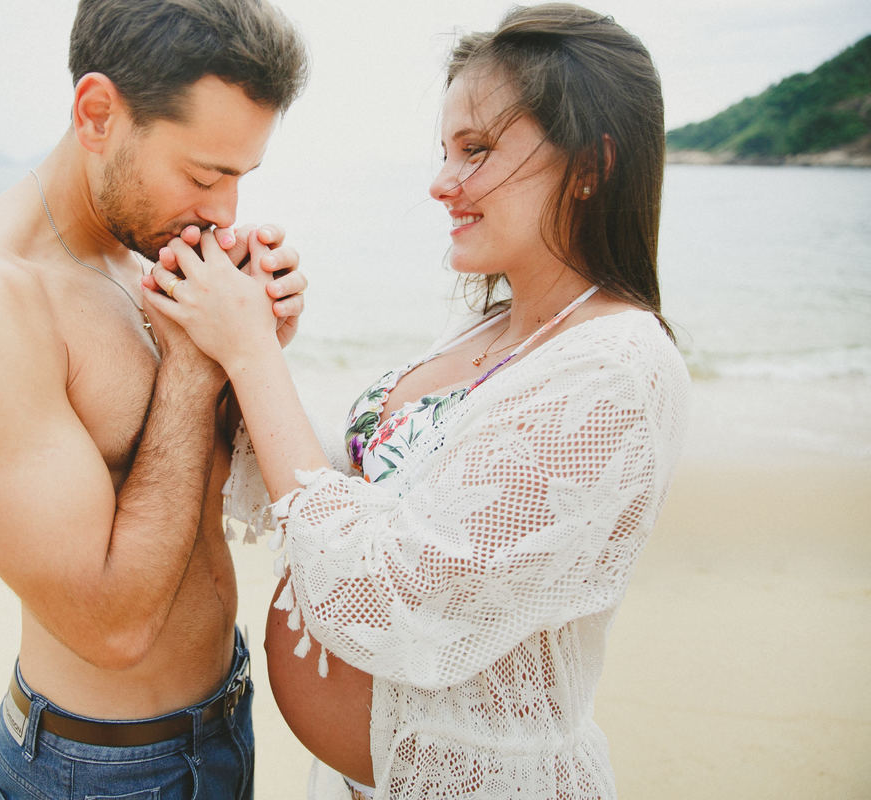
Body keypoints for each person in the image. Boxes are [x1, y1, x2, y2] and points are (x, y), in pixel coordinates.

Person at [143, 4, 690, 798]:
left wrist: (252, 355)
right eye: (443, 152)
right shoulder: (491, 326)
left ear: (589, 166)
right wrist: (244, 333)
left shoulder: (619, 372)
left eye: (477, 151)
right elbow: (367, 497)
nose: (441, 183)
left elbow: (391, 592)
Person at [0, 1, 308, 798]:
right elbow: (110, 625)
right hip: (105, 771)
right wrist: (193, 365)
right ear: (96, 114)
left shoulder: (141, 247)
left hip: (222, 720)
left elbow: (189, 478)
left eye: (239, 178)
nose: (223, 211)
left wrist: (253, 344)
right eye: (202, 174)